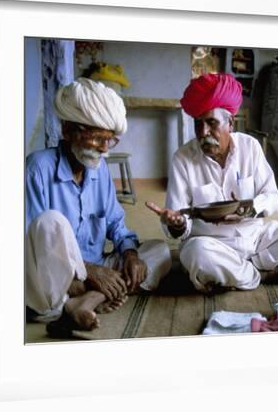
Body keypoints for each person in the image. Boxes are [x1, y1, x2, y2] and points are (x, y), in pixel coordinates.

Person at [146, 73, 278, 293]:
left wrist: (249, 210)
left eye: (211, 123)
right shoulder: (183, 159)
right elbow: (178, 219)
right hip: (212, 245)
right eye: (198, 124)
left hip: (257, 240)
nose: (203, 133)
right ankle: (259, 275)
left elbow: (272, 196)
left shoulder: (250, 147)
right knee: (195, 254)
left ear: (230, 123)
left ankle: (239, 272)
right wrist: (178, 224)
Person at [25, 78, 171, 335]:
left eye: (110, 140)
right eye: (96, 138)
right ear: (68, 130)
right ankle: (74, 298)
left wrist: (130, 255)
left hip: (98, 268)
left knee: (159, 252)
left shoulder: (99, 168)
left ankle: (87, 300)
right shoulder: (38, 167)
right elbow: (32, 244)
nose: (104, 149)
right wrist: (88, 271)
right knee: (51, 221)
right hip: (58, 278)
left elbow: (116, 222)